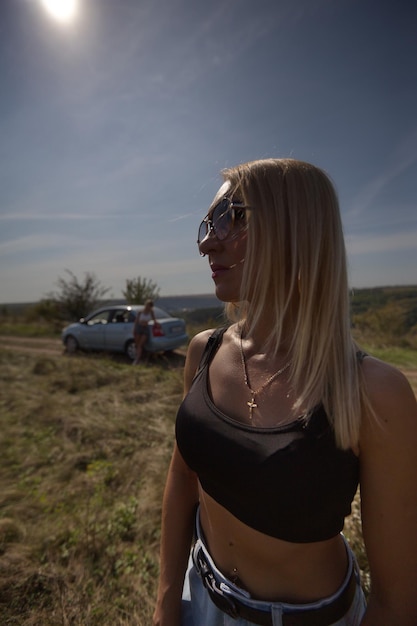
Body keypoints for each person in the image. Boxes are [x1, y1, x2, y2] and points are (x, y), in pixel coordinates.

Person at [153, 159, 417, 626]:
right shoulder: (204, 352)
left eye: (232, 216)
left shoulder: (374, 394)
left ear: (298, 228)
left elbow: (397, 602)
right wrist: (166, 603)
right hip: (201, 596)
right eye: (206, 223)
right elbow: (183, 480)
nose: (205, 242)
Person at [132, 299, 157, 365]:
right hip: (139, 328)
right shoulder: (140, 312)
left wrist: (157, 324)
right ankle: (137, 358)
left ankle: (137, 359)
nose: (147, 307)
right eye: (147, 305)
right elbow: (136, 321)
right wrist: (134, 329)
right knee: (137, 344)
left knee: (140, 344)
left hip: (145, 329)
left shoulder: (151, 312)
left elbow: (154, 321)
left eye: (149, 305)